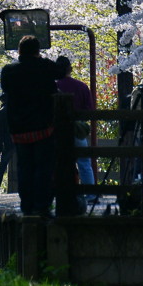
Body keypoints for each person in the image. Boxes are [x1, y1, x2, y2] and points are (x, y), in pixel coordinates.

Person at [0, 35, 59, 217]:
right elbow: (58, 71)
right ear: (37, 51)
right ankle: (42, 205)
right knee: (44, 167)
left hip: (19, 129)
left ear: (19, 51)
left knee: (24, 168)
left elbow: (5, 89)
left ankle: (27, 205)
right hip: (43, 127)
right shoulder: (45, 67)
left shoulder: (8, 71)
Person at [55, 56, 96, 192]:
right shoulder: (81, 86)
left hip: (58, 132)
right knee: (84, 163)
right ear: (70, 69)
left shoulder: (53, 87)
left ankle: (62, 194)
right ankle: (90, 194)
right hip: (77, 130)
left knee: (60, 163)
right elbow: (90, 110)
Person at [0, 95, 18, 194]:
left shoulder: (0, 113)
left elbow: (0, 132)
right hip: (19, 141)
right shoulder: (16, 110)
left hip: (7, 143)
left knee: (2, 166)